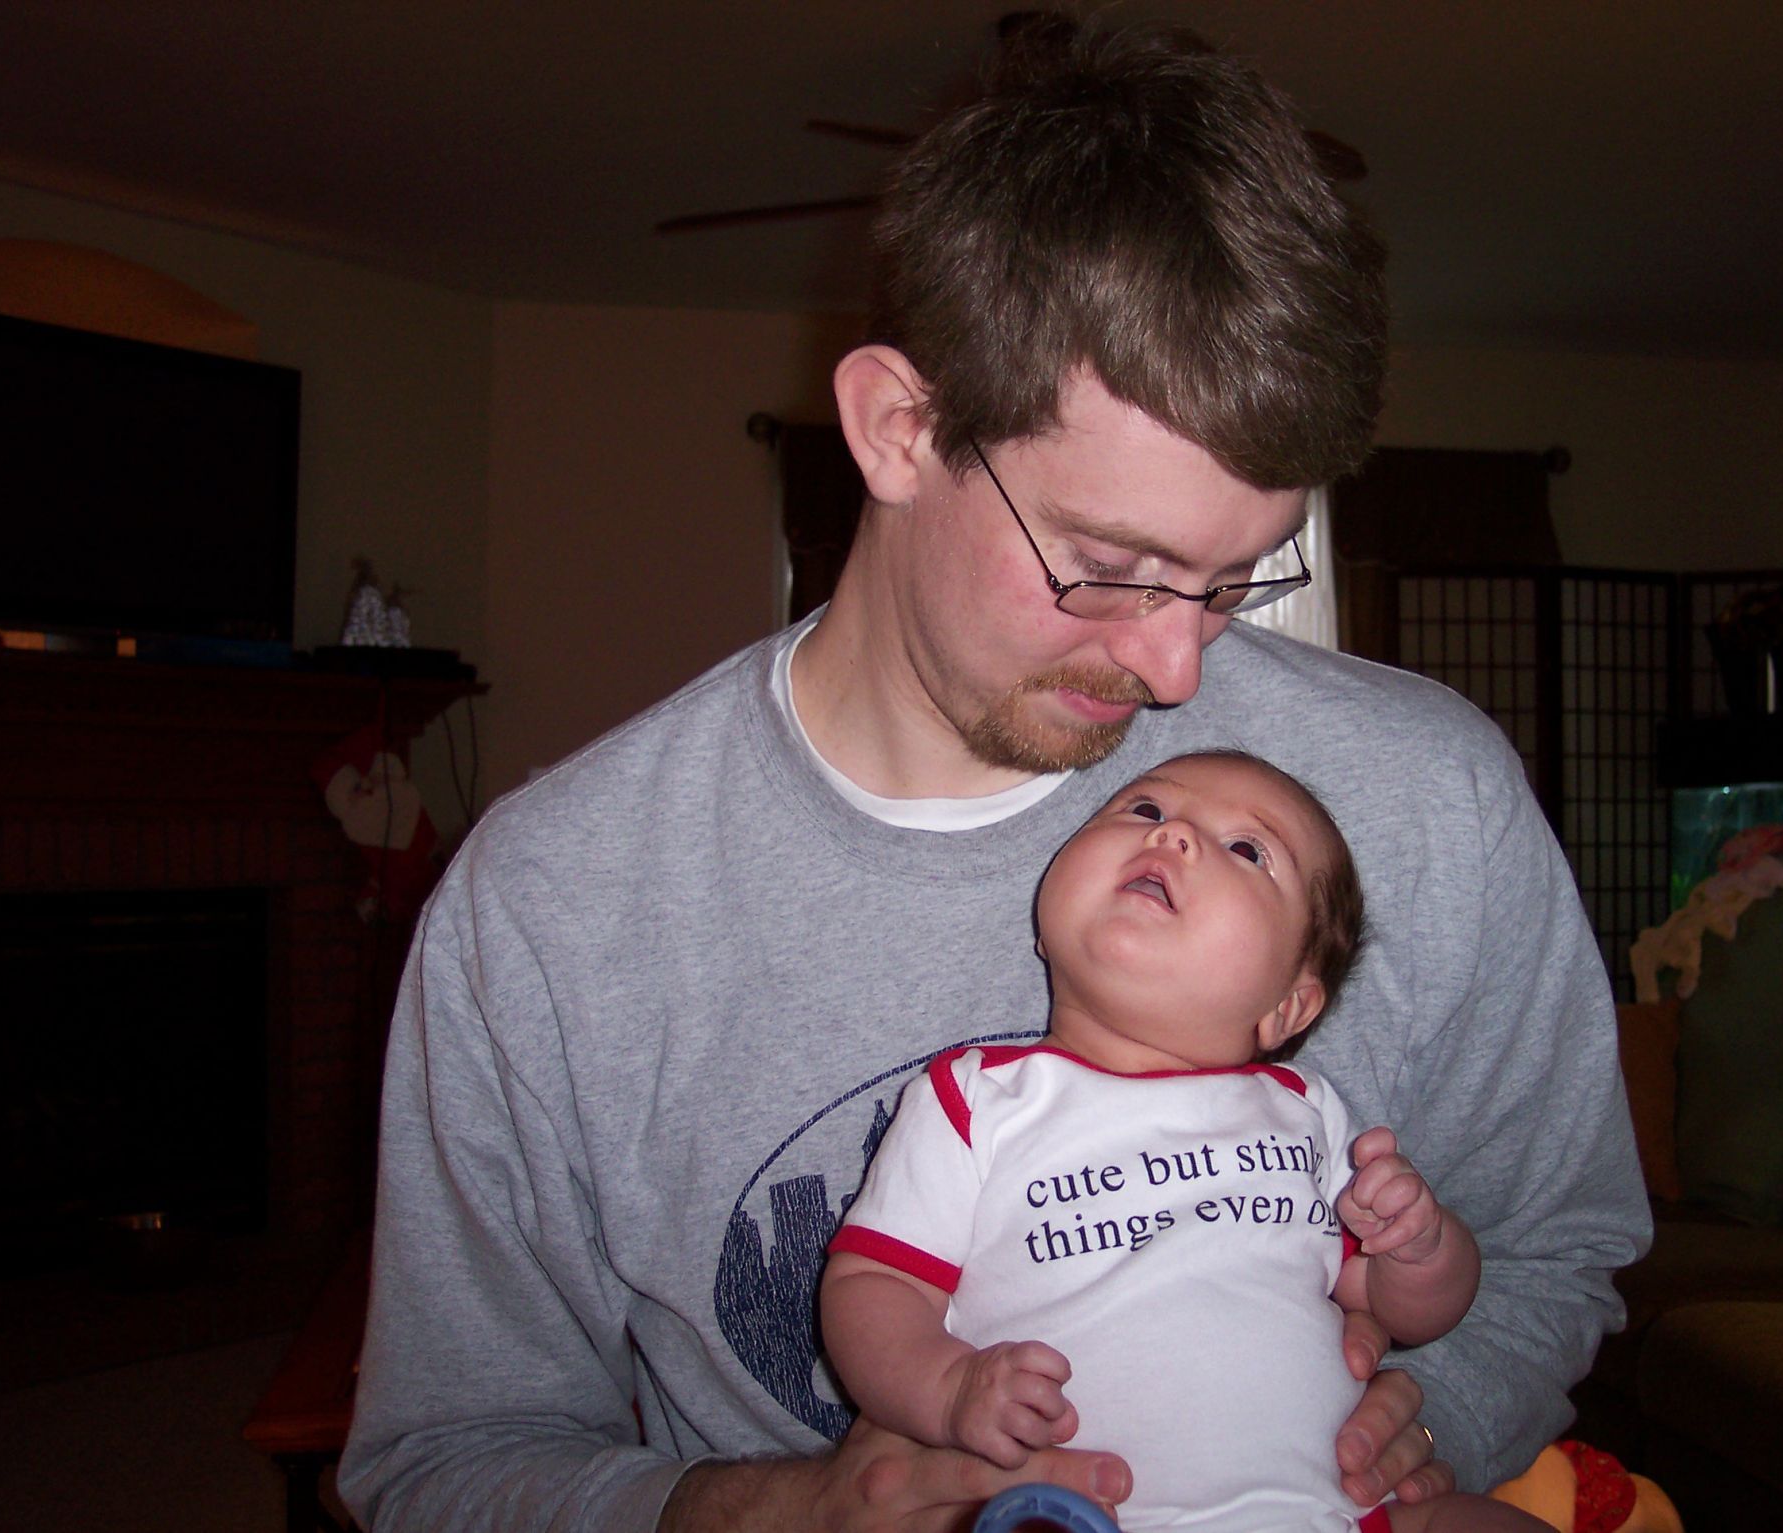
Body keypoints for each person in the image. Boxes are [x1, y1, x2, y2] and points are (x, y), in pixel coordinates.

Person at [338, 19, 1649, 1533]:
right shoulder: (549, 904)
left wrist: (1419, 1433)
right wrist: (765, 1514)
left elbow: (1556, 1244)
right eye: (1112, 566)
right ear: (897, 429)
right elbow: (442, 1458)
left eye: (1236, 579)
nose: (1178, 672)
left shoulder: (1430, 797)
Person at [822, 750, 1544, 1532]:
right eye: (1145, 810)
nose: (1176, 836)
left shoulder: (1304, 1110)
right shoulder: (976, 1100)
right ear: (1043, 928)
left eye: (1248, 849)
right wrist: (948, 1388)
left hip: (1335, 1509)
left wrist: (1424, 1249)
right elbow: (873, 1283)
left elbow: (1397, 1306)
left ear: (1288, 1005)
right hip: (1083, 1511)